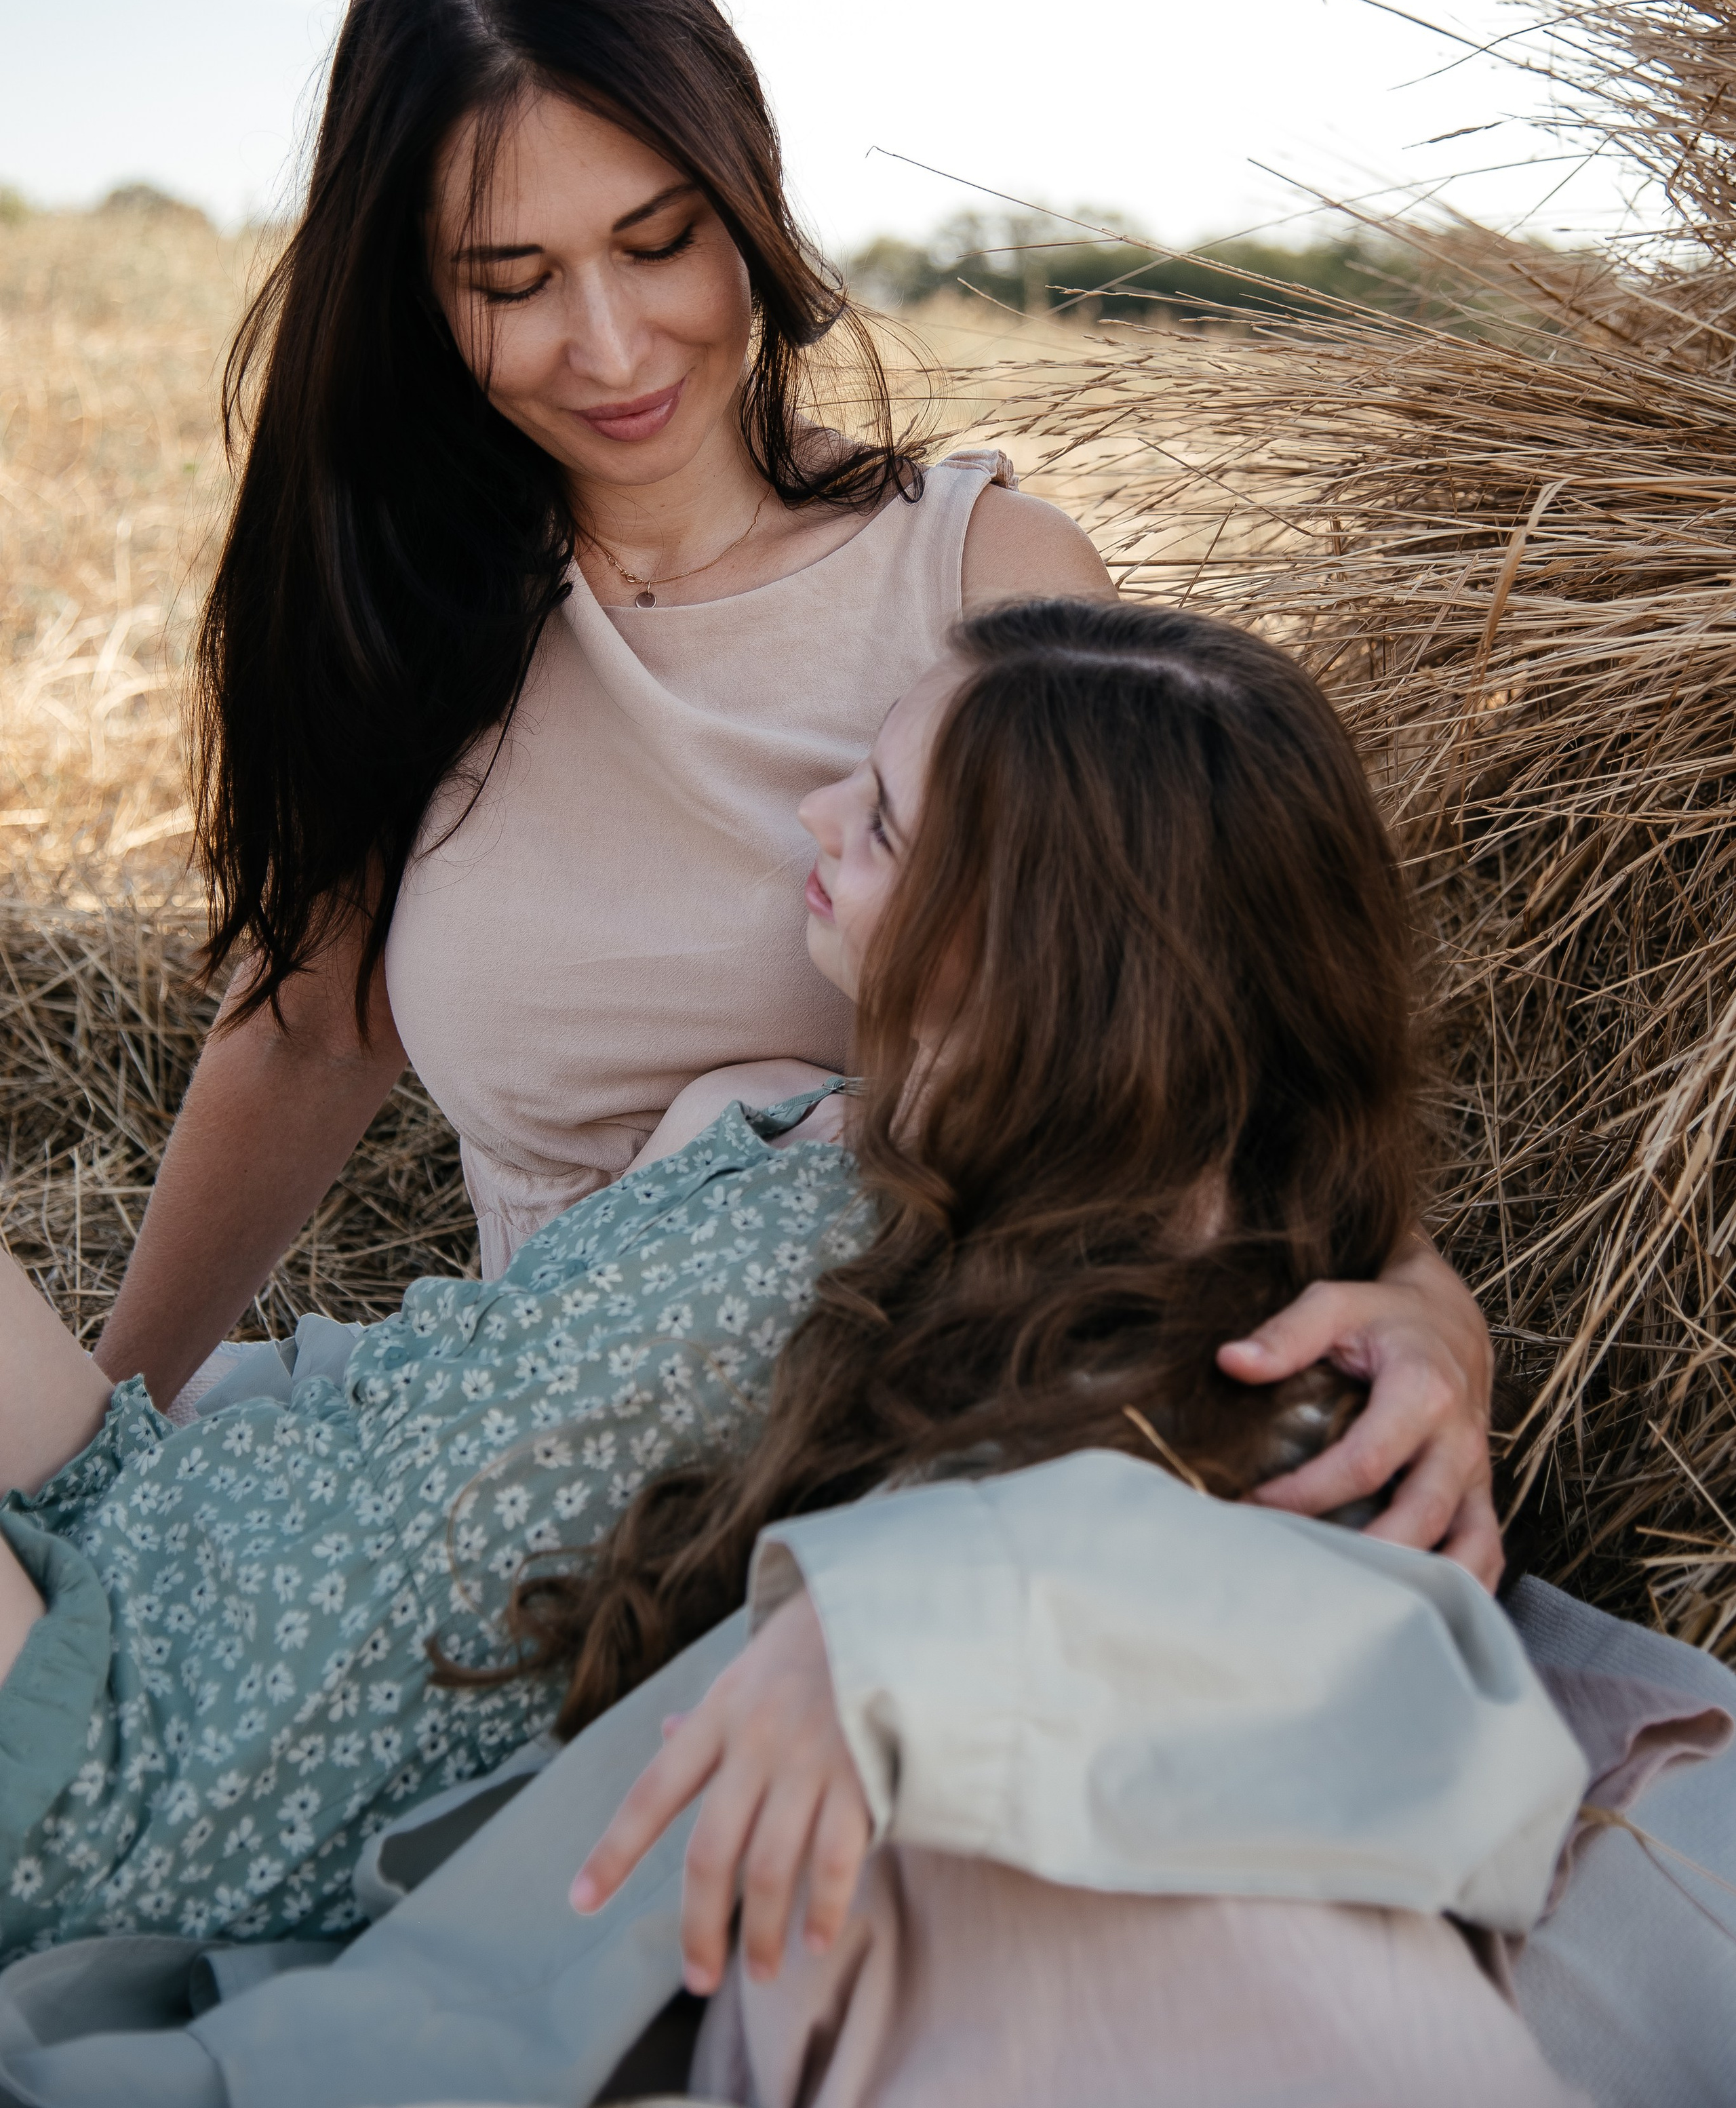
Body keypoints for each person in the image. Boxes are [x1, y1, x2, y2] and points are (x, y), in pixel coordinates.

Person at [90, 0, 1497, 1579]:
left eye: (658, 240)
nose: (608, 344)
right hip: (524, 1469)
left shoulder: (985, 585)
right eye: (508, 277)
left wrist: (1430, 1311)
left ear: (744, 191)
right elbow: (308, 1034)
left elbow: (1218, 1046)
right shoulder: (397, 607)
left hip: (925, 1478)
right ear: (409, 286)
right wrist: (97, 1451)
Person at [0, 604, 1558, 2002]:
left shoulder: (1083, 1331)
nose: (812, 814)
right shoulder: (759, 1109)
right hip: (148, 1514)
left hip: (155, 1756)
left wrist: (862, 1641)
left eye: (876, 822)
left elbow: (1318, 1647)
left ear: (1030, 951)